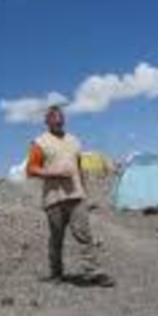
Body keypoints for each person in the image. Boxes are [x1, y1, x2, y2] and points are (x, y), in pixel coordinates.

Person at [26, 105, 115, 287]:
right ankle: (56, 274)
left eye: (61, 118)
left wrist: (84, 191)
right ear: (47, 121)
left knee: (84, 235)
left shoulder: (74, 141)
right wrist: (55, 173)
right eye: (54, 119)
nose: (58, 121)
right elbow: (31, 169)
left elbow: (78, 167)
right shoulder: (40, 142)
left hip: (76, 195)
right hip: (54, 198)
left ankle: (94, 272)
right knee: (56, 238)